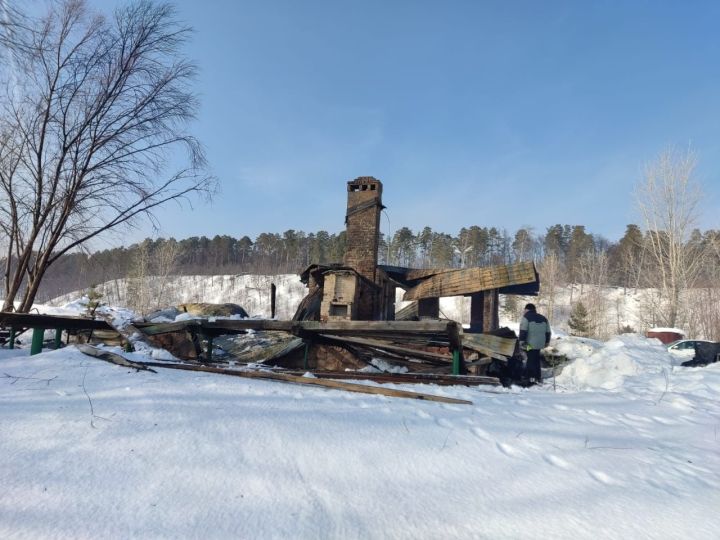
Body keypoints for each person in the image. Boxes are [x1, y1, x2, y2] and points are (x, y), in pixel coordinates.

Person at [518, 303, 551, 384]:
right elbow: (548, 332)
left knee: (530, 358)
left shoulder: (526, 317)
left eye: (524, 310)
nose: (524, 312)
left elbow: (523, 331)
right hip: (540, 344)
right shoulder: (543, 318)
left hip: (529, 344)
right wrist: (546, 342)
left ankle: (530, 377)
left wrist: (521, 342)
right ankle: (537, 376)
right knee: (535, 358)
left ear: (526, 309)